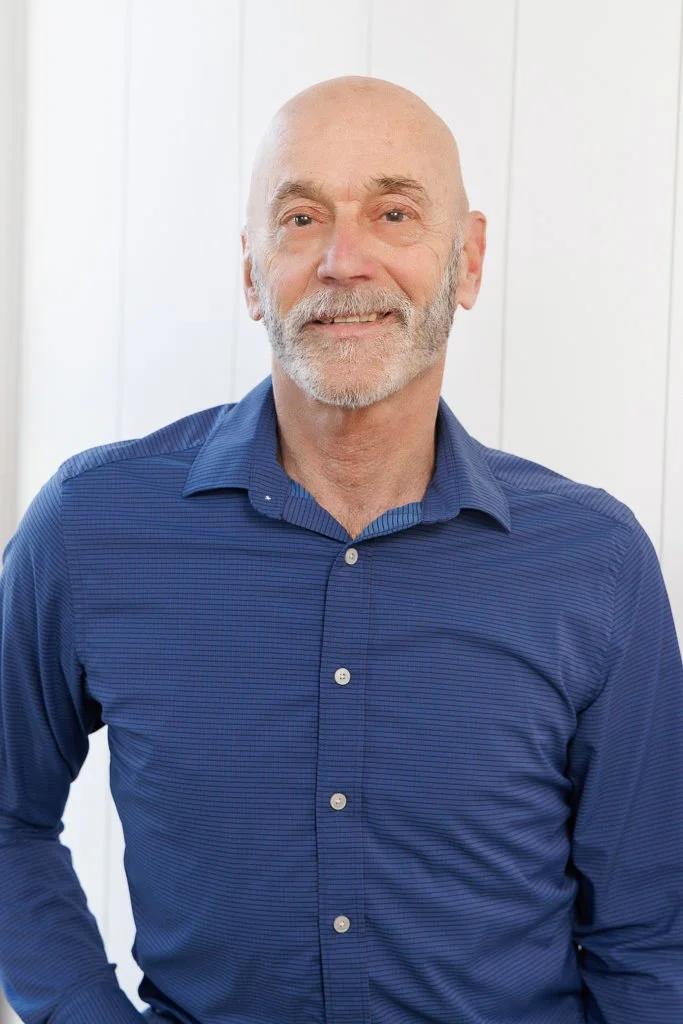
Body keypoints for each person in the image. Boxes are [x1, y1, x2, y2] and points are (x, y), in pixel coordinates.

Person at [0, 75, 681, 1024]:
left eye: (393, 212)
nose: (342, 260)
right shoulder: (90, 525)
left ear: (468, 260)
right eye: (300, 218)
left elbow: (651, 937)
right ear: (250, 271)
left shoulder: (595, 563)